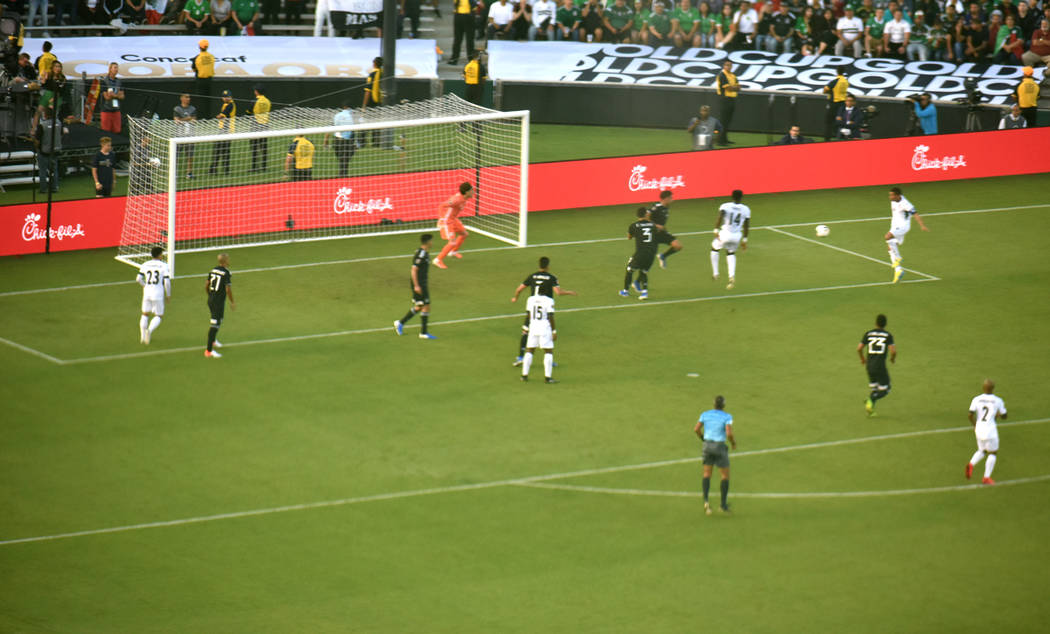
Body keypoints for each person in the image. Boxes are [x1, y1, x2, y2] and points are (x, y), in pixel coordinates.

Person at [511, 256, 577, 365]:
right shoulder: (552, 277)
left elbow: (519, 289)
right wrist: (570, 292)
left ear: (539, 265)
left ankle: (521, 357)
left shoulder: (532, 276)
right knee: (547, 332)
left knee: (526, 331)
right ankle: (549, 360)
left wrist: (515, 298)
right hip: (545, 307)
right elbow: (558, 292)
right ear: (548, 266)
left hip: (533, 306)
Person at [694, 395, 736, 515]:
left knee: (707, 473)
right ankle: (722, 505)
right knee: (724, 476)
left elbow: (696, 429)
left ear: (713, 404)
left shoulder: (705, 414)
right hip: (719, 446)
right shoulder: (727, 416)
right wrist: (733, 443)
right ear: (724, 405)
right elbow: (729, 433)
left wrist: (702, 438)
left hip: (707, 445)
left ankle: (706, 502)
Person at [393, 233, 437, 340]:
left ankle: (400, 322)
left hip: (421, 283)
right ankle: (423, 333)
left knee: (420, 306)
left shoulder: (423, 252)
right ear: (428, 242)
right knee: (426, 306)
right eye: (431, 240)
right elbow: (414, 269)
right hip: (420, 284)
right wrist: (417, 286)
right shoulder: (421, 254)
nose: (432, 242)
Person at [966, 379, 1007, 485]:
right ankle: (986, 478)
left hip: (979, 429)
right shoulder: (998, 400)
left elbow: (970, 415)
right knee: (993, 453)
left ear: (983, 388)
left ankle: (971, 464)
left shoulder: (976, 399)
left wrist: (975, 426)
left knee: (982, 450)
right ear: (993, 388)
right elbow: (1004, 416)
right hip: (990, 431)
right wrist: (998, 415)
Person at [885, 186, 929, 284]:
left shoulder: (906, 204)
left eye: (892, 195)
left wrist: (922, 225)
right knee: (890, 247)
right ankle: (898, 270)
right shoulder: (894, 201)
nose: (890, 197)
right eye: (890, 195)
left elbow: (915, 214)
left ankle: (898, 258)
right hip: (895, 226)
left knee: (887, 237)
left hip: (903, 226)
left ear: (898, 195)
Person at [710, 189, 750, 290]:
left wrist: (715, 229)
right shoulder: (746, 209)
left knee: (714, 248)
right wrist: (744, 240)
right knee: (731, 253)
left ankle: (715, 273)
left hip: (725, 234)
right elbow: (746, 226)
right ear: (741, 197)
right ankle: (731, 276)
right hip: (736, 236)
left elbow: (720, 216)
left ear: (732, 197)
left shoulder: (725, 206)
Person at [858, 314, 895, 416]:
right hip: (880, 366)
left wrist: (862, 359)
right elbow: (893, 351)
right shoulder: (888, 335)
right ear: (885, 324)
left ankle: (870, 409)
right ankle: (871, 399)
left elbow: (859, 348)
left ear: (875, 323)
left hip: (869, 366)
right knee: (886, 389)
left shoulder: (868, 334)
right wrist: (892, 359)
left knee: (875, 389)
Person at [619, 207, 657, 300]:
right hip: (651, 253)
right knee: (643, 271)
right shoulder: (653, 225)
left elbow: (629, 237)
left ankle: (625, 291)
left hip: (640, 253)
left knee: (629, 269)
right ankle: (644, 293)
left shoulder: (634, 226)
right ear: (645, 214)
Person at [434, 182, 473, 269]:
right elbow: (442, 205)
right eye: (471, 190)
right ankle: (438, 260)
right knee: (452, 242)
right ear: (466, 192)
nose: (473, 192)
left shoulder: (463, 198)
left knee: (464, 234)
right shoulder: (457, 200)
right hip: (447, 221)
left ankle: (453, 252)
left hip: (453, 219)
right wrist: (441, 219)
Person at [137, 246, 172, 346]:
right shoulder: (164, 265)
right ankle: (149, 331)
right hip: (158, 293)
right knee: (159, 315)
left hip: (147, 292)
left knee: (145, 314)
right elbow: (167, 282)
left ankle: (142, 336)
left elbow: (138, 279)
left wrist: (145, 286)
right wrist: (168, 294)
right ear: (160, 255)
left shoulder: (145, 264)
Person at [520, 292, 557, 383]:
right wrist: (554, 331)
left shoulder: (531, 299)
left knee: (530, 350)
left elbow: (528, 314)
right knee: (548, 351)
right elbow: (550, 316)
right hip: (544, 327)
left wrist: (527, 326)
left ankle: (524, 376)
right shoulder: (549, 300)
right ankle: (547, 378)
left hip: (533, 326)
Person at [205, 253, 234, 358]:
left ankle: (213, 341)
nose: (229, 260)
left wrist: (210, 295)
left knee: (219, 319)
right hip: (217, 301)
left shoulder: (213, 270)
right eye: (228, 258)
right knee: (215, 324)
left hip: (212, 299)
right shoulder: (226, 273)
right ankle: (209, 351)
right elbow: (228, 289)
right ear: (225, 261)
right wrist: (232, 301)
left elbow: (206, 284)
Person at [34, 106, 67, 194]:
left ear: (45, 114)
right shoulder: (59, 123)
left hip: (44, 151)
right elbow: (62, 134)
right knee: (54, 170)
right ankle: (54, 187)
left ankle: (43, 189)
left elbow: (37, 140)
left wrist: (36, 147)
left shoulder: (42, 125)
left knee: (43, 171)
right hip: (55, 150)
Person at [648, 190, 682, 269]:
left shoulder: (666, 208)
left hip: (661, 233)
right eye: (671, 198)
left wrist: (665, 230)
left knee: (678, 246)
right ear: (666, 198)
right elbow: (646, 216)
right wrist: (655, 226)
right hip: (653, 234)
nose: (672, 199)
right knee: (648, 260)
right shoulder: (657, 206)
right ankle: (638, 280)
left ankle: (662, 256)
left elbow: (661, 224)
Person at [324, 102, 356, 178]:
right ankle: (343, 175)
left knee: (342, 159)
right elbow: (353, 131)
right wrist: (356, 143)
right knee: (345, 159)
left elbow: (331, 126)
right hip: (347, 141)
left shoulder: (337, 115)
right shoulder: (352, 116)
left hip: (337, 140)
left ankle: (342, 174)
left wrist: (326, 140)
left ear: (343, 107)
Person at [210, 89, 236, 173]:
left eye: (227, 96)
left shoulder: (230, 105)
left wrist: (217, 116)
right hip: (224, 129)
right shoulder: (227, 104)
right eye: (224, 97)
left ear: (230, 97)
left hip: (226, 130)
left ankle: (216, 169)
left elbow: (221, 116)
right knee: (223, 150)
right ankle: (222, 169)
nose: (225, 98)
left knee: (219, 150)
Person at [173, 94, 198, 179]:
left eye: (189, 97)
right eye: (186, 97)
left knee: (190, 155)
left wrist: (183, 119)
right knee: (176, 155)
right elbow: (176, 121)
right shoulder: (177, 109)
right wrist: (187, 119)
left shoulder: (193, 109)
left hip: (190, 135)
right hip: (179, 135)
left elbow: (194, 120)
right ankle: (174, 173)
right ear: (181, 98)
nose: (188, 99)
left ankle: (189, 173)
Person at [247, 84, 270, 173]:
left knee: (254, 148)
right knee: (263, 147)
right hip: (265, 125)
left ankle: (254, 167)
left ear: (256, 92)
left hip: (255, 125)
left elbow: (248, 112)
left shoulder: (254, 101)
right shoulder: (268, 101)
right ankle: (264, 167)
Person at [715, 60, 738, 145]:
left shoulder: (733, 75)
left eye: (730, 65)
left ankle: (725, 139)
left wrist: (734, 87)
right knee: (723, 121)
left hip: (732, 99)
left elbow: (738, 87)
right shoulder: (722, 75)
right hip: (724, 99)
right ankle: (720, 141)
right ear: (724, 66)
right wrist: (734, 87)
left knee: (728, 120)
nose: (728, 67)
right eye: (727, 65)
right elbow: (728, 88)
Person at [823, 66, 849, 141]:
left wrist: (829, 91)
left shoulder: (835, 81)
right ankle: (843, 139)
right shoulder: (846, 81)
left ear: (837, 71)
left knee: (828, 122)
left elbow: (825, 89)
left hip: (834, 104)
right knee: (841, 122)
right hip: (843, 104)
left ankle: (827, 139)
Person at [191, 40, 214, 120]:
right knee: (208, 98)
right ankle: (208, 117)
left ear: (199, 47)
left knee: (200, 99)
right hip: (209, 80)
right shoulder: (211, 56)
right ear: (207, 47)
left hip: (200, 80)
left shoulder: (197, 58)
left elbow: (194, 69)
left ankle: (200, 117)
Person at [99, 62, 124, 134]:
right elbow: (107, 97)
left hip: (116, 110)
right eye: (115, 67)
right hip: (106, 110)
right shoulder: (104, 81)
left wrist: (113, 95)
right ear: (110, 69)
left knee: (117, 131)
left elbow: (122, 96)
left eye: (117, 68)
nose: (117, 69)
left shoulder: (119, 81)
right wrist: (117, 95)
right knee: (106, 132)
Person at [450, 0, 478, 64]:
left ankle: (470, 59)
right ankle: (454, 58)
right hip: (458, 15)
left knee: (470, 39)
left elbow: (475, 4)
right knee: (457, 39)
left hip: (469, 15)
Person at [363, 57, 383, 147]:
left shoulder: (372, 74)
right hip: (379, 102)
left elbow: (368, 91)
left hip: (371, 101)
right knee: (376, 123)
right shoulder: (383, 73)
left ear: (374, 63)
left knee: (365, 122)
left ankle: (362, 142)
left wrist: (364, 105)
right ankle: (376, 142)